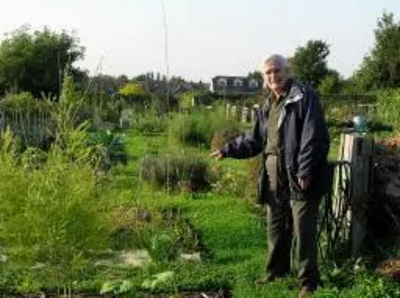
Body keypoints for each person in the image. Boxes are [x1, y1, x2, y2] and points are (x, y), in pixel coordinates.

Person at [210, 54, 330, 298]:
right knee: (276, 226)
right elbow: (254, 139)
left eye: (277, 70)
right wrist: (228, 149)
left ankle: (309, 283)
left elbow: (313, 136)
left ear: (288, 70)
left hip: (298, 172)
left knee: (303, 229)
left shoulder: (304, 97)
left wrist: (305, 169)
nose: (273, 76)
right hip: (274, 172)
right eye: (268, 73)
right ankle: (276, 271)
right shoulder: (268, 105)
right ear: (263, 78)